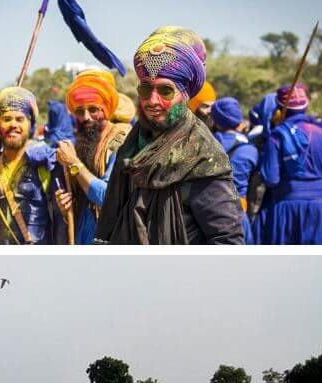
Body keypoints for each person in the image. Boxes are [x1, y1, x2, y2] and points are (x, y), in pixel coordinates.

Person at [94, 26, 244, 244]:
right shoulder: (133, 144)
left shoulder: (202, 155)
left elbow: (227, 241)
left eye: (166, 91)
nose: (152, 101)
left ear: (185, 94)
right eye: (146, 89)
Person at [0, 86, 66, 245]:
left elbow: (62, 221)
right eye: (7, 119)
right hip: (2, 261)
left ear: (30, 124)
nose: (13, 125)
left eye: (20, 119)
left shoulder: (46, 162)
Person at [54, 70, 133, 245]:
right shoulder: (83, 142)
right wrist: (66, 205)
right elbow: (83, 200)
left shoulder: (122, 141)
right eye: (80, 111)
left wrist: (74, 163)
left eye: (93, 109)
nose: (86, 117)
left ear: (107, 107)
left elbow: (106, 196)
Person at [252, 83, 322, 244]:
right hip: (319, 210)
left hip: (287, 210)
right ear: (305, 105)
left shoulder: (277, 136)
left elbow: (271, 179)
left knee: (287, 265)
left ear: (280, 108)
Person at [210, 97, 259, 244]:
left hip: (207, 214)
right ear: (238, 120)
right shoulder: (250, 150)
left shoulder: (204, 145)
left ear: (215, 120)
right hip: (238, 213)